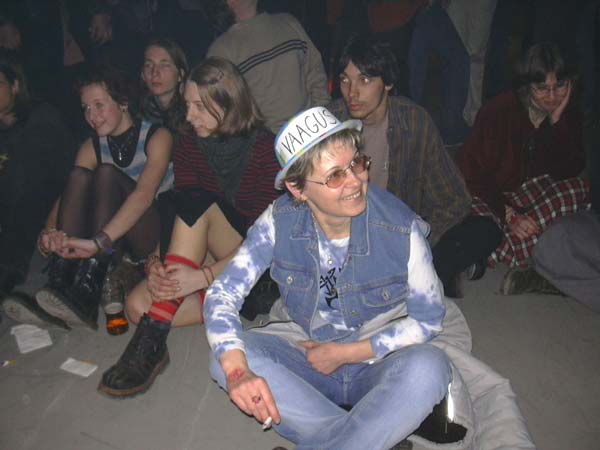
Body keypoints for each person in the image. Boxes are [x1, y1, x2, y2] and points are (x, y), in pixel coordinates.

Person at [204, 105, 451, 450]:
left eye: (357, 163)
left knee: (430, 367)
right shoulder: (277, 222)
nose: (356, 181)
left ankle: (355, 436)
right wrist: (238, 373)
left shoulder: (399, 229)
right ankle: (369, 436)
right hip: (306, 352)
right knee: (226, 359)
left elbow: (429, 320)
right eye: (335, 176)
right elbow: (222, 295)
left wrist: (345, 353)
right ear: (297, 189)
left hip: (376, 361)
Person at [98, 57, 281, 398]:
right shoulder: (188, 145)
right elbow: (179, 214)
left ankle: (151, 343)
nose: (189, 116)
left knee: (200, 201)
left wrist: (203, 276)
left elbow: (265, 239)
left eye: (200, 106)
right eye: (187, 105)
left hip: (254, 266)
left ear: (228, 103)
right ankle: (210, 307)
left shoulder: (263, 148)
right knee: (136, 306)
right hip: (209, 256)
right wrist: (156, 262)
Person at [328, 36, 501, 298]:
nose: (352, 92)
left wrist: (418, 242)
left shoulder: (414, 122)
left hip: (401, 237)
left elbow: (455, 197)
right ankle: (424, 278)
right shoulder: (329, 124)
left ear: (388, 83)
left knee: (486, 229)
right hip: (347, 239)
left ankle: (418, 274)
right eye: (345, 80)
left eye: (364, 80)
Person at [31, 64, 173, 329]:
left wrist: (98, 243)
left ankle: (90, 279)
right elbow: (68, 196)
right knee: (78, 176)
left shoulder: (157, 135)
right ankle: (61, 280)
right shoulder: (91, 146)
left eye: (98, 105)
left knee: (106, 174)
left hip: (150, 240)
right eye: (86, 108)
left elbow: (143, 195)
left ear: (123, 102)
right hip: (112, 247)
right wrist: (49, 233)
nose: (91, 116)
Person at [458, 42, 589, 294]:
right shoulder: (498, 111)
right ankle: (525, 248)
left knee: (577, 189)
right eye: (542, 88)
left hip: (530, 194)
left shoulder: (568, 113)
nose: (552, 96)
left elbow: (569, 170)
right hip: (489, 194)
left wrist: (557, 123)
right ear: (528, 86)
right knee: (473, 216)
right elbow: (470, 173)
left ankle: (500, 251)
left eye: (560, 86)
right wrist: (509, 214)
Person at [0, 51, 76, 326]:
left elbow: (59, 173)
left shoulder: (42, 117)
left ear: (15, 86)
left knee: (23, 182)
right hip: (14, 214)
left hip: (53, 208)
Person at [206, 0, 330, 133]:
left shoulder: (288, 22)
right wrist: (259, 139)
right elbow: (223, 109)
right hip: (265, 141)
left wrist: (320, 114)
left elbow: (315, 69)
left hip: (312, 130)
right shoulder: (221, 50)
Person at [139, 37, 188, 132]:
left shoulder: (191, 115)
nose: (155, 72)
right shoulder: (140, 115)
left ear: (180, 75)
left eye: (164, 65)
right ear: (143, 75)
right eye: (149, 65)